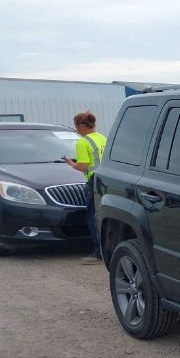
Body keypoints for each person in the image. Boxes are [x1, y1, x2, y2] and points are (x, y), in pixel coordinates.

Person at [64, 111, 107, 264]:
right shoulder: (102, 138)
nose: (76, 130)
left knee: (92, 216)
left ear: (81, 126)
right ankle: (108, 249)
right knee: (104, 216)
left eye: (76, 126)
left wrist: (71, 163)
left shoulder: (83, 142)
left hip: (93, 181)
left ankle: (97, 253)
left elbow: (83, 166)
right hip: (105, 180)